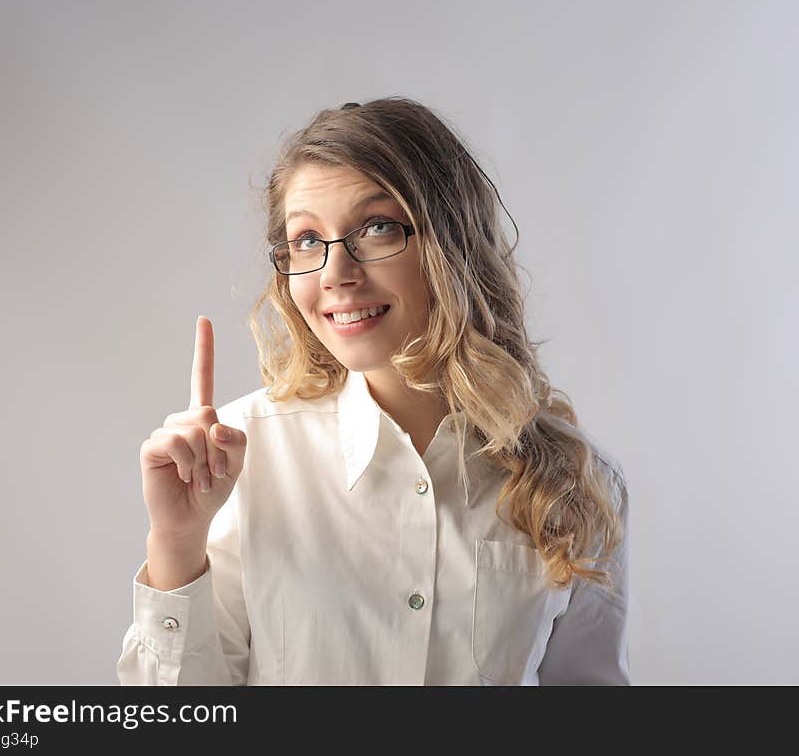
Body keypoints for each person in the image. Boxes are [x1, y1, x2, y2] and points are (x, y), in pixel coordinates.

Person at [116, 96, 630, 686]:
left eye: (377, 227)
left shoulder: (573, 480)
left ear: (450, 243)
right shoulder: (238, 457)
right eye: (307, 240)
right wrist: (177, 542)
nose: (335, 272)